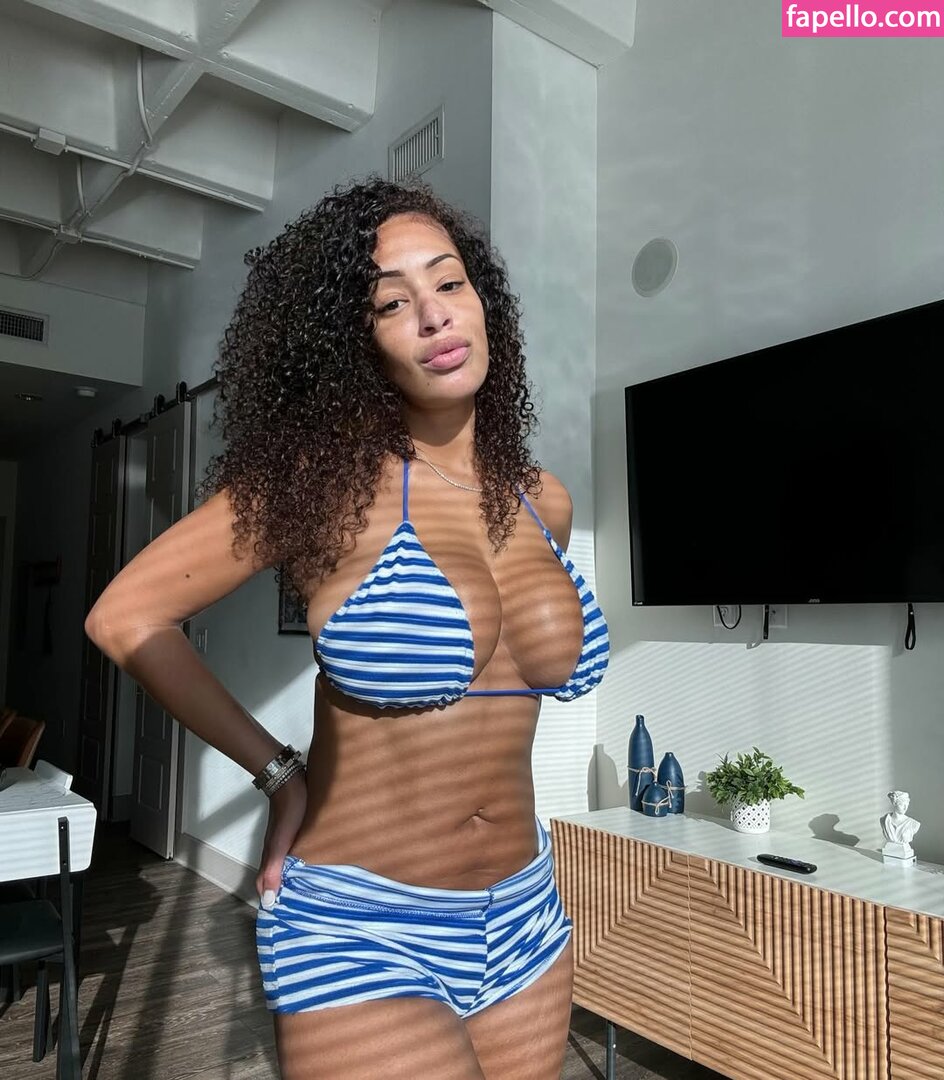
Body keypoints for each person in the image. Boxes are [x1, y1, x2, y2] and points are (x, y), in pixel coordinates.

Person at [85, 177, 608, 1080]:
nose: (434, 316)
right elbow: (126, 616)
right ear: (354, 346)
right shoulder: (324, 489)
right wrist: (281, 776)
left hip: (525, 915)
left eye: (450, 283)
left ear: (484, 300)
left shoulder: (541, 500)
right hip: (364, 924)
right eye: (391, 304)